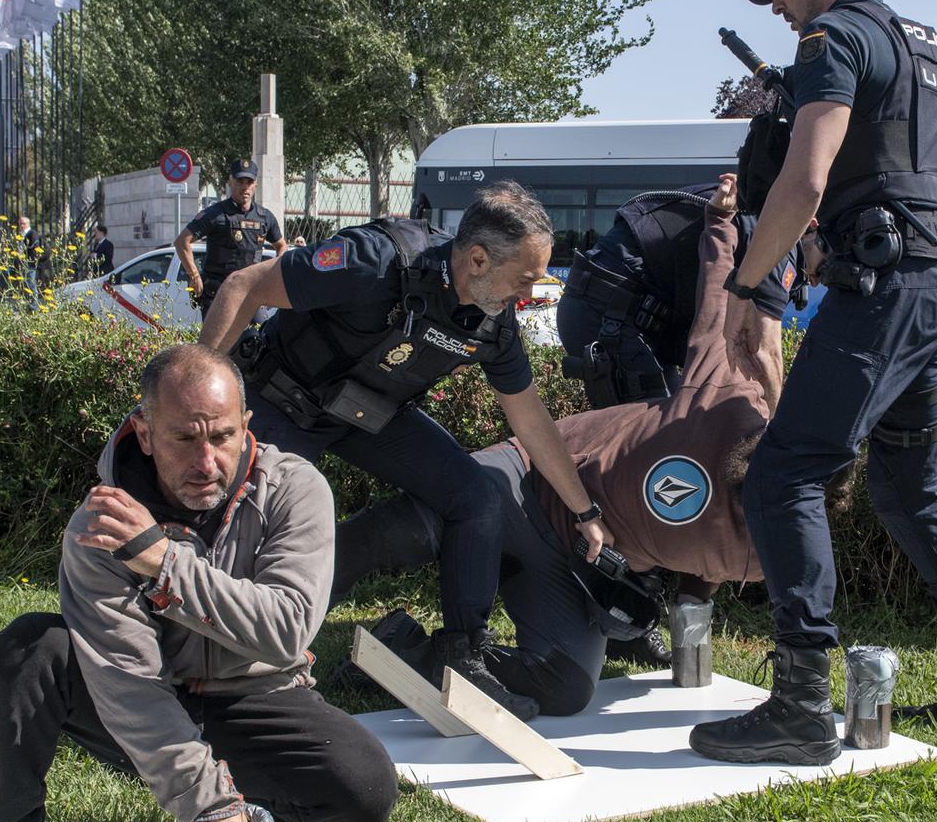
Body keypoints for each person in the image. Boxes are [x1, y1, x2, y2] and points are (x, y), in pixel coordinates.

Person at [698, 0, 937, 766]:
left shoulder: (831, 41)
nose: (775, 6)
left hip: (886, 289)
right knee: (911, 489)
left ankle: (801, 706)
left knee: (783, 472)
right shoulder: (924, 50)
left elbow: (805, 179)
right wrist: (928, 271)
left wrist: (747, 289)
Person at [0, 345, 396, 822]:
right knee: (31, 646)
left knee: (364, 790)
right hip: (146, 695)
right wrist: (211, 809)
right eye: (183, 440)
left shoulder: (296, 489)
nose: (207, 460)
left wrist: (164, 564)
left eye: (222, 436)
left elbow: (287, 627)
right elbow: (128, 682)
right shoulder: (99, 526)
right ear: (142, 433)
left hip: (255, 691)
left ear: (247, 425)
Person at [334, 172, 788, 716]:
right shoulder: (725, 404)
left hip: (574, 558)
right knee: (434, 516)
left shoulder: (767, 558)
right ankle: (287, 585)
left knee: (566, 688)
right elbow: (719, 302)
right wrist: (718, 221)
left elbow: (710, 577)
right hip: (531, 478)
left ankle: (400, 649)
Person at [200, 181, 613, 720]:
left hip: (368, 416)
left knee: (476, 495)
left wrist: (585, 512)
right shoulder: (374, 260)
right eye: (525, 279)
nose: (528, 294)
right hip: (285, 401)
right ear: (479, 259)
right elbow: (243, 284)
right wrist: (190, 405)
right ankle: (210, 647)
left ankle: (463, 656)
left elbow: (531, 421)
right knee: (238, 517)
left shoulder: (494, 325)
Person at [557, 185, 794, 410]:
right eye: (824, 265)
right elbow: (766, 349)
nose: (817, 281)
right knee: (657, 436)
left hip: (637, 317)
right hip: (607, 314)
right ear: (810, 224)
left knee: (678, 423)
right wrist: (772, 428)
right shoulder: (780, 231)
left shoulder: (752, 215)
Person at [176, 158, 285, 318]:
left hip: (251, 291)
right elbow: (182, 241)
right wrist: (194, 275)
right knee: (215, 342)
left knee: (260, 337)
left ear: (255, 185)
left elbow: (281, 246)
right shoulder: (215, 214)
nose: (245, 187)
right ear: (230, 182)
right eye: (240, 181)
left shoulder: (264, 217)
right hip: (219, 292)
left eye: (249, 182)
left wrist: (274, 276)